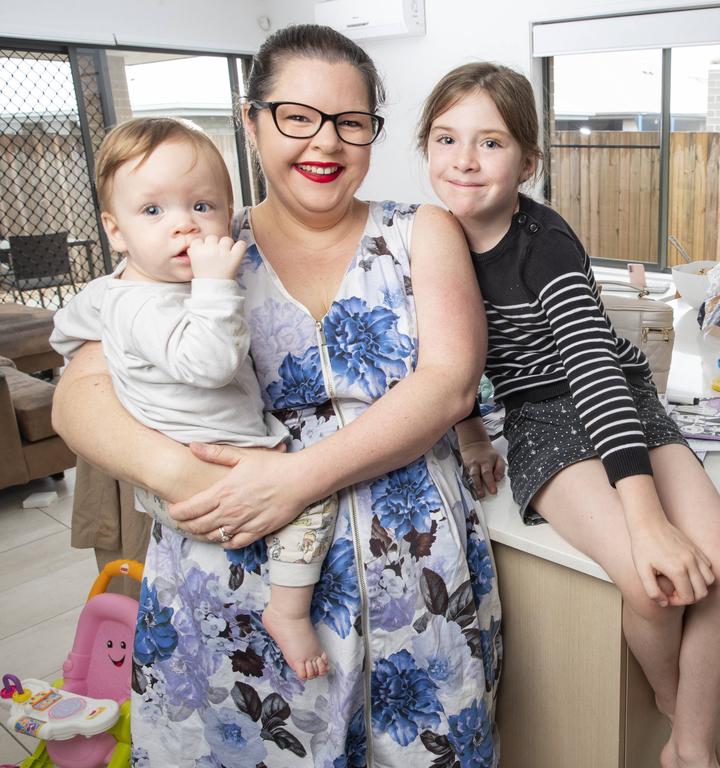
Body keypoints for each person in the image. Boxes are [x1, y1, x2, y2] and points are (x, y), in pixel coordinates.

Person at [52, 26, 501, 767]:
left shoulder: (422, 230)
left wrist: (294, 478)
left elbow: (450, 384)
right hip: (231, 574)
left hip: (413, 581)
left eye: (351, 123)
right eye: (297, 116)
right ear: (251, 117)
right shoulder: (193, 242)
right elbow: (79, 395)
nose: (325, 143)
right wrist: (184, 480)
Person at [418, 62, 720, 768]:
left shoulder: (546, 242)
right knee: (651, 586)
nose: (464, 160)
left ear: (528, 161)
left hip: (615, 396)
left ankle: (689, 747)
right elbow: (445, 358)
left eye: (491, 143)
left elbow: (595, 371)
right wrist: (472, 430)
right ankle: (676, 710)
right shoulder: (430, 242)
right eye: (445, 139)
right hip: (539, 420)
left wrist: (649, 515)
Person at [51, 117, 342, 682]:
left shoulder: (115, 292)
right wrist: (214, 285)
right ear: (115, 230)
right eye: (153, 211)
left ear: (229, 214)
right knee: (313, 500)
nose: (183, 225)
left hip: (188, 471)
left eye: (203, 207)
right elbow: (208, 366)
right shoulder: (152, 303)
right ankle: (288, 611)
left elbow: (67, 325)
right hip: (207, 467)